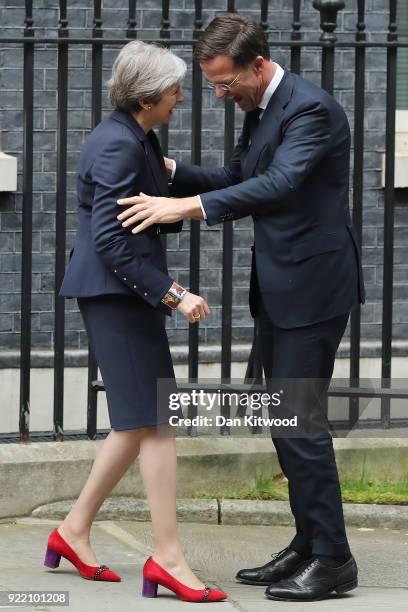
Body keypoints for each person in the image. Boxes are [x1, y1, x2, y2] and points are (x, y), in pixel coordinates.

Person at [116, 14, 365, 602]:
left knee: (300, 422)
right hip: (281, 288)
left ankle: (333, 558)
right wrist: (170, 173)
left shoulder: (312, 110)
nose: (222, 96)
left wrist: (183, 208)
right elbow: (236, 176)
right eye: (212, 86)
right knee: (283, 420)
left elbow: (278, 183)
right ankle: (308, 543)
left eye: (227, 84)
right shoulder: (261, 109)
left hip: (313, 290)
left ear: (258, 64)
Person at [46, 40, 227, 604]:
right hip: (118, 296)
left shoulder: (135, 136)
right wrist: (173, 294)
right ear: (149, 95)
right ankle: (167, 558)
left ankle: (73, 531)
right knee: (156, 420)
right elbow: (109, 240)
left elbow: (167, 193)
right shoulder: (119, 145)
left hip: (121, 296)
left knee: (137, 421)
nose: (181, 97)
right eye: (175, 89)